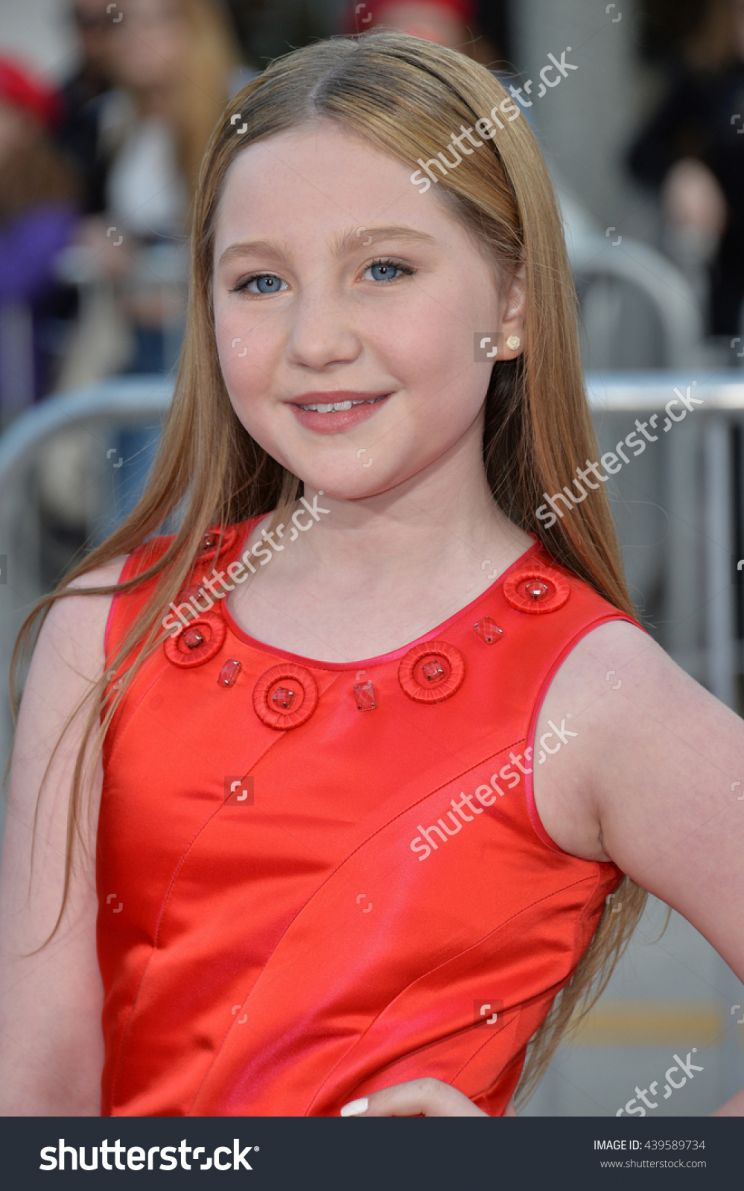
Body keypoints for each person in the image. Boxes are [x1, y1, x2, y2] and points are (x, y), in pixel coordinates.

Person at [1, 30, 743, 1119]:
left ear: (512, 304)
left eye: (383, 269)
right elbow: (35, 1095)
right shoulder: (105, 630)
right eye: (260, 281)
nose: (316, 338)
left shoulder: (591, 692)